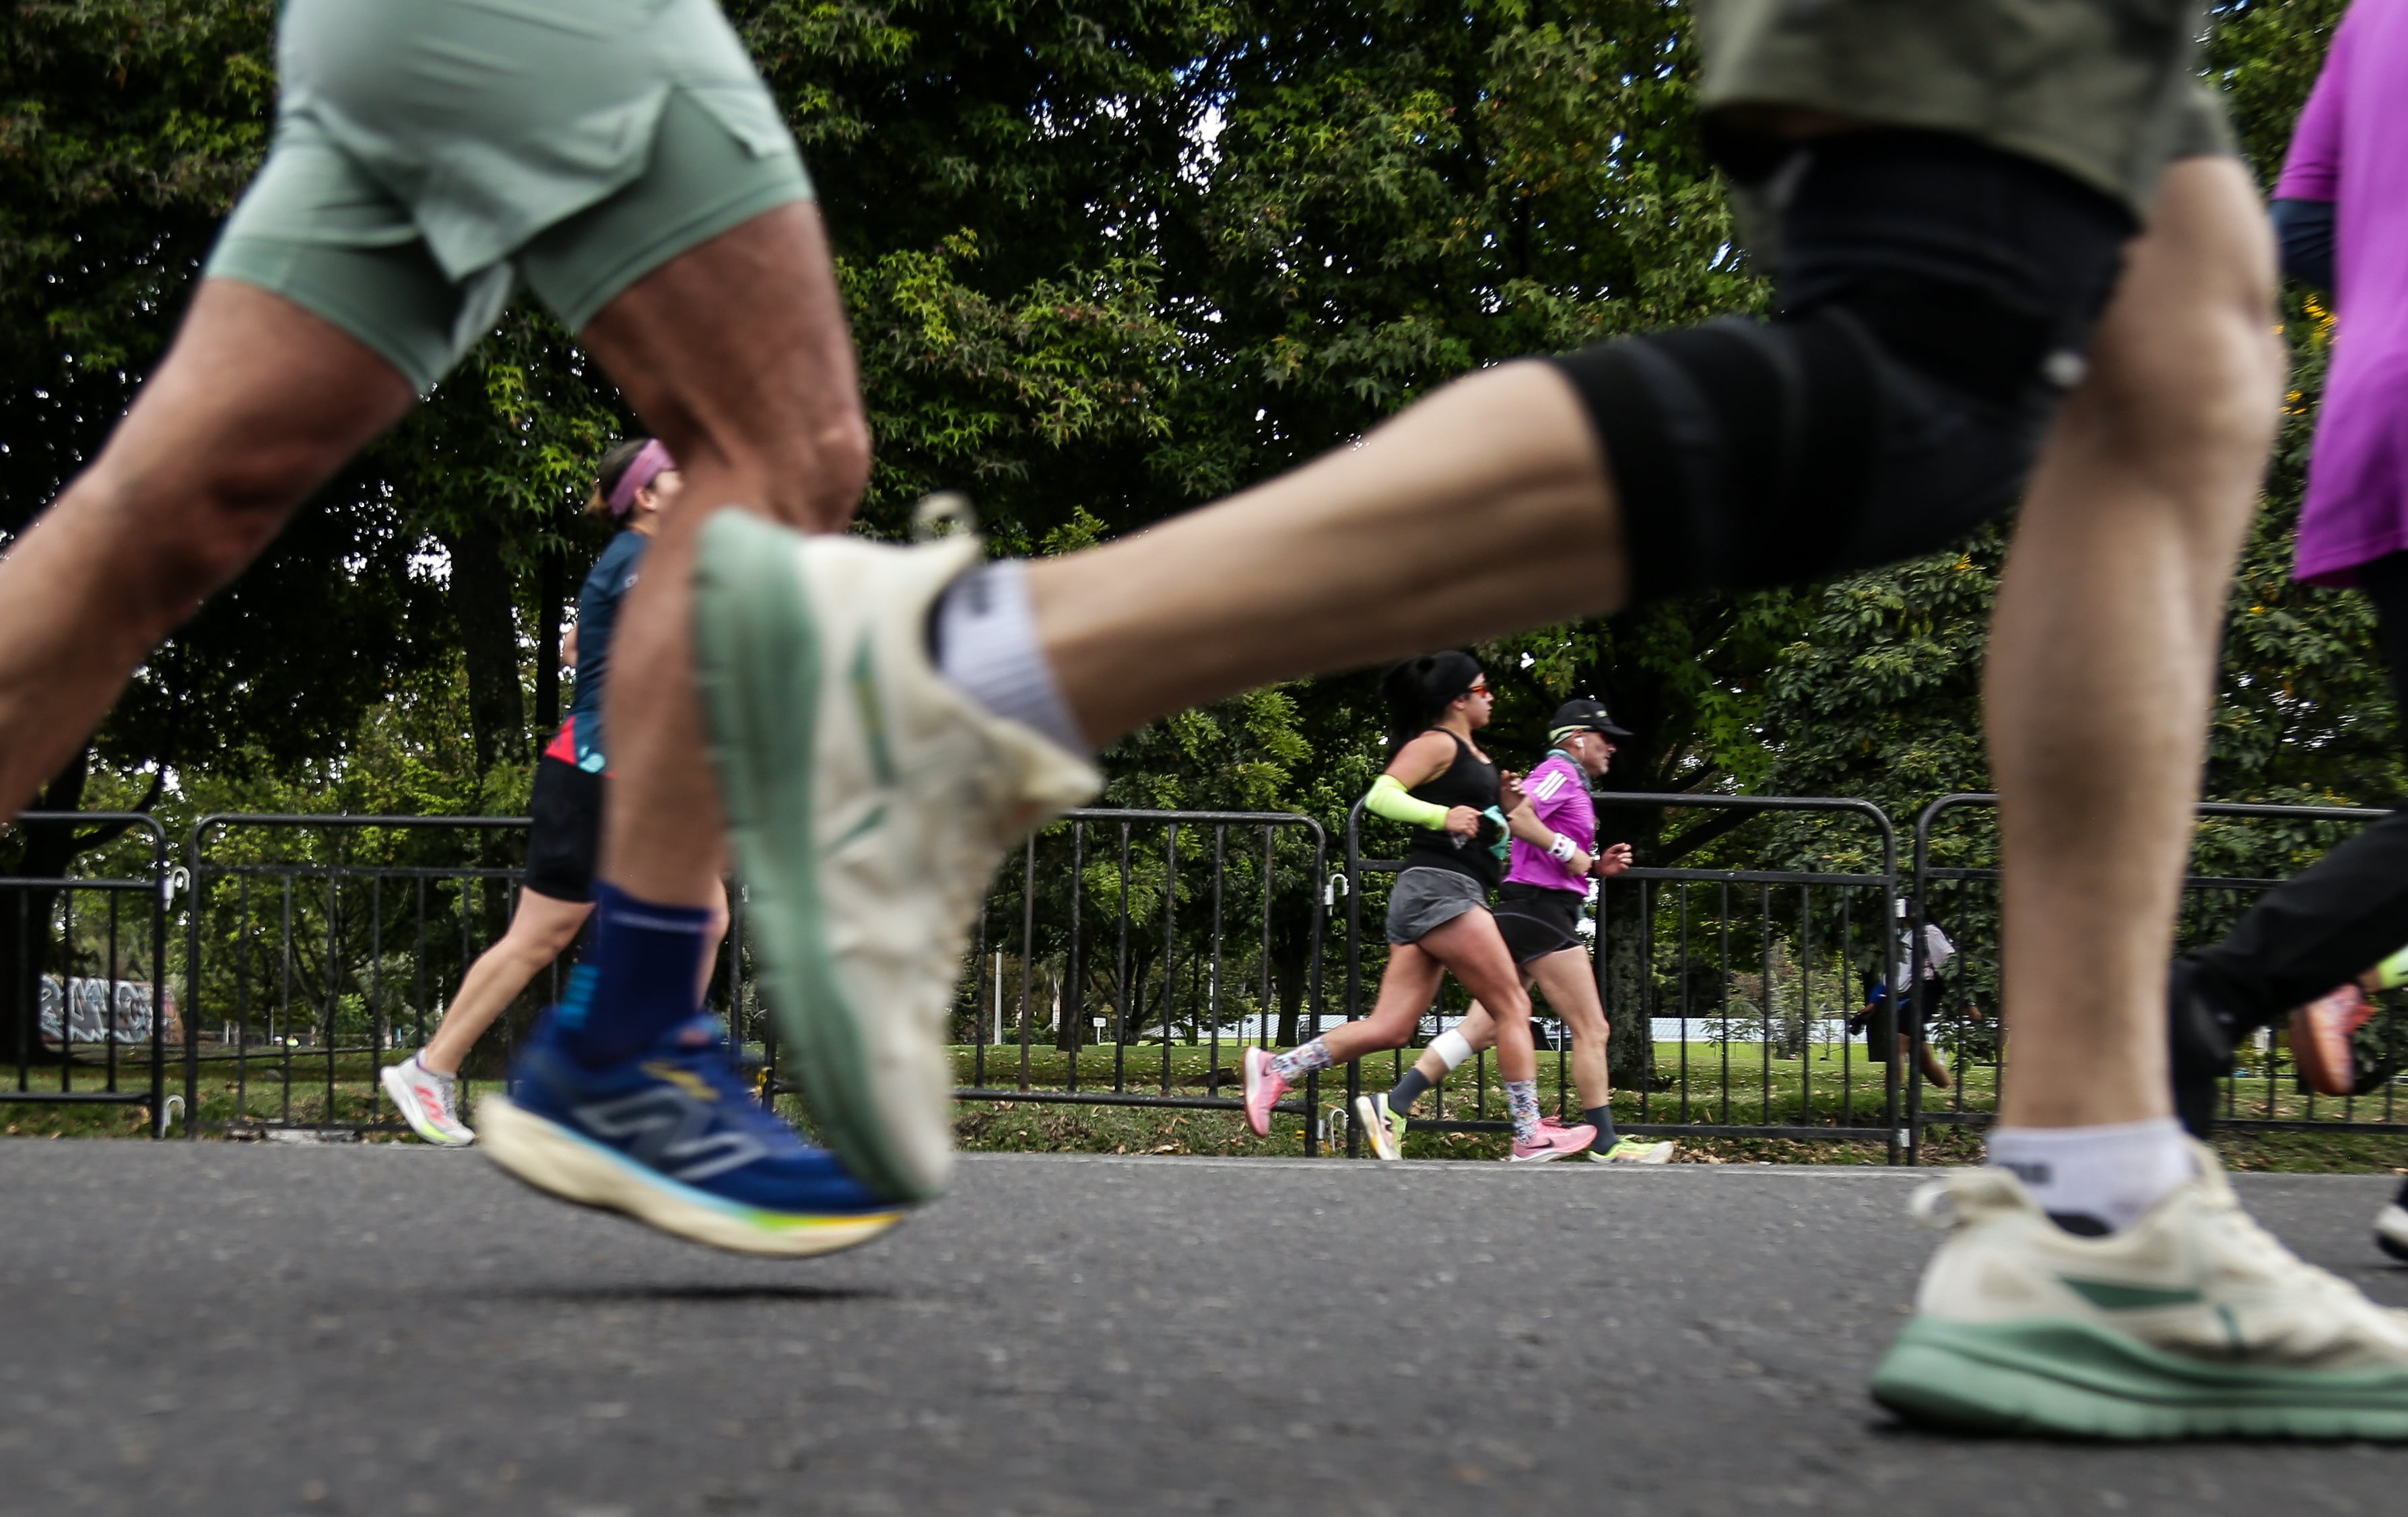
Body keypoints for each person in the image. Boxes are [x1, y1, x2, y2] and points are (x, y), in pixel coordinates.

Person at [681, 1, 2408, 1434]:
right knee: (1943, 364)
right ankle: (957, 678)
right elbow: (1390, 792)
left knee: (2179, 342)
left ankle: (2094, 1201)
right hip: (1458, 897)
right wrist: (1473, 821)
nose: (1514, 704)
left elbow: (2304, 236)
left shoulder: (1518, 766)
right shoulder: (1454, 753)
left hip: (1489, 898)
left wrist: (1520, 818)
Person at [0, 0, 910, 1254]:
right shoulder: (635, 566)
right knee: (791, 452)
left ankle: (553, 1054)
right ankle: (618, 1063)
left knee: (152, 525)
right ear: (643, 492)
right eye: (665, 473)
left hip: (378, 31)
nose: (680, 483)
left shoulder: (627, 564)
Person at [2161, 0, 2408, 1266]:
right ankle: (2220, 992)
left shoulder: (2373, 20)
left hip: (2380, 415)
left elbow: (2300, 230)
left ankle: (2222, 993)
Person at [380, 440, 729, 1147]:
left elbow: (580, 645)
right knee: (673, 919)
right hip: (604, 775)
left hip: (603, 773)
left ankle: (437, 1068)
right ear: (647, 497)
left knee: (561, 933)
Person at [1240, 654, 1597, 1161]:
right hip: (1440, 891)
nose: (1491, 695)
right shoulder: (1437, 743)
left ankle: (1279, 1069)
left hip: (1442, 892)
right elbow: (1382, 796)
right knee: (1513, 1007)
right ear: (1459, 698)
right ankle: (1527, 1133)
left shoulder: (1478, 756)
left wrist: (1504, 803)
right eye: (1483, 687)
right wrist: (1442, 814)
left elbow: (1493, 830)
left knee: (1392, 1027)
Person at [1356, 698, 1671, 1163]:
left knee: (1480, 1029)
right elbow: (1516, 818)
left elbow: (1545, 840)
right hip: (1540, 912)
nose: (1613, 749)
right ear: (1577, 738)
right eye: (1607, 739)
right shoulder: (1560, 770)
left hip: (1535, 909)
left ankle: (1394, 1105)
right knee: (1592, 1026)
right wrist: (1573, 853)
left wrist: (1595, 868)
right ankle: (1605, 1142)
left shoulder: (1572, 780)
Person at [1851, 901, 1956, 1091]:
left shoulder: (1930, 934)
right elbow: (1892, 977)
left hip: (1922, 995)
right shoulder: (1900, 939)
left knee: (1896, 1046)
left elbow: (1950, 968)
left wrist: (1967, 1002)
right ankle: (1950, 1091)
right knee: (1924, 1061)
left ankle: (1891, 1099)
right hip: (1902, 999)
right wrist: (1874, 1003)